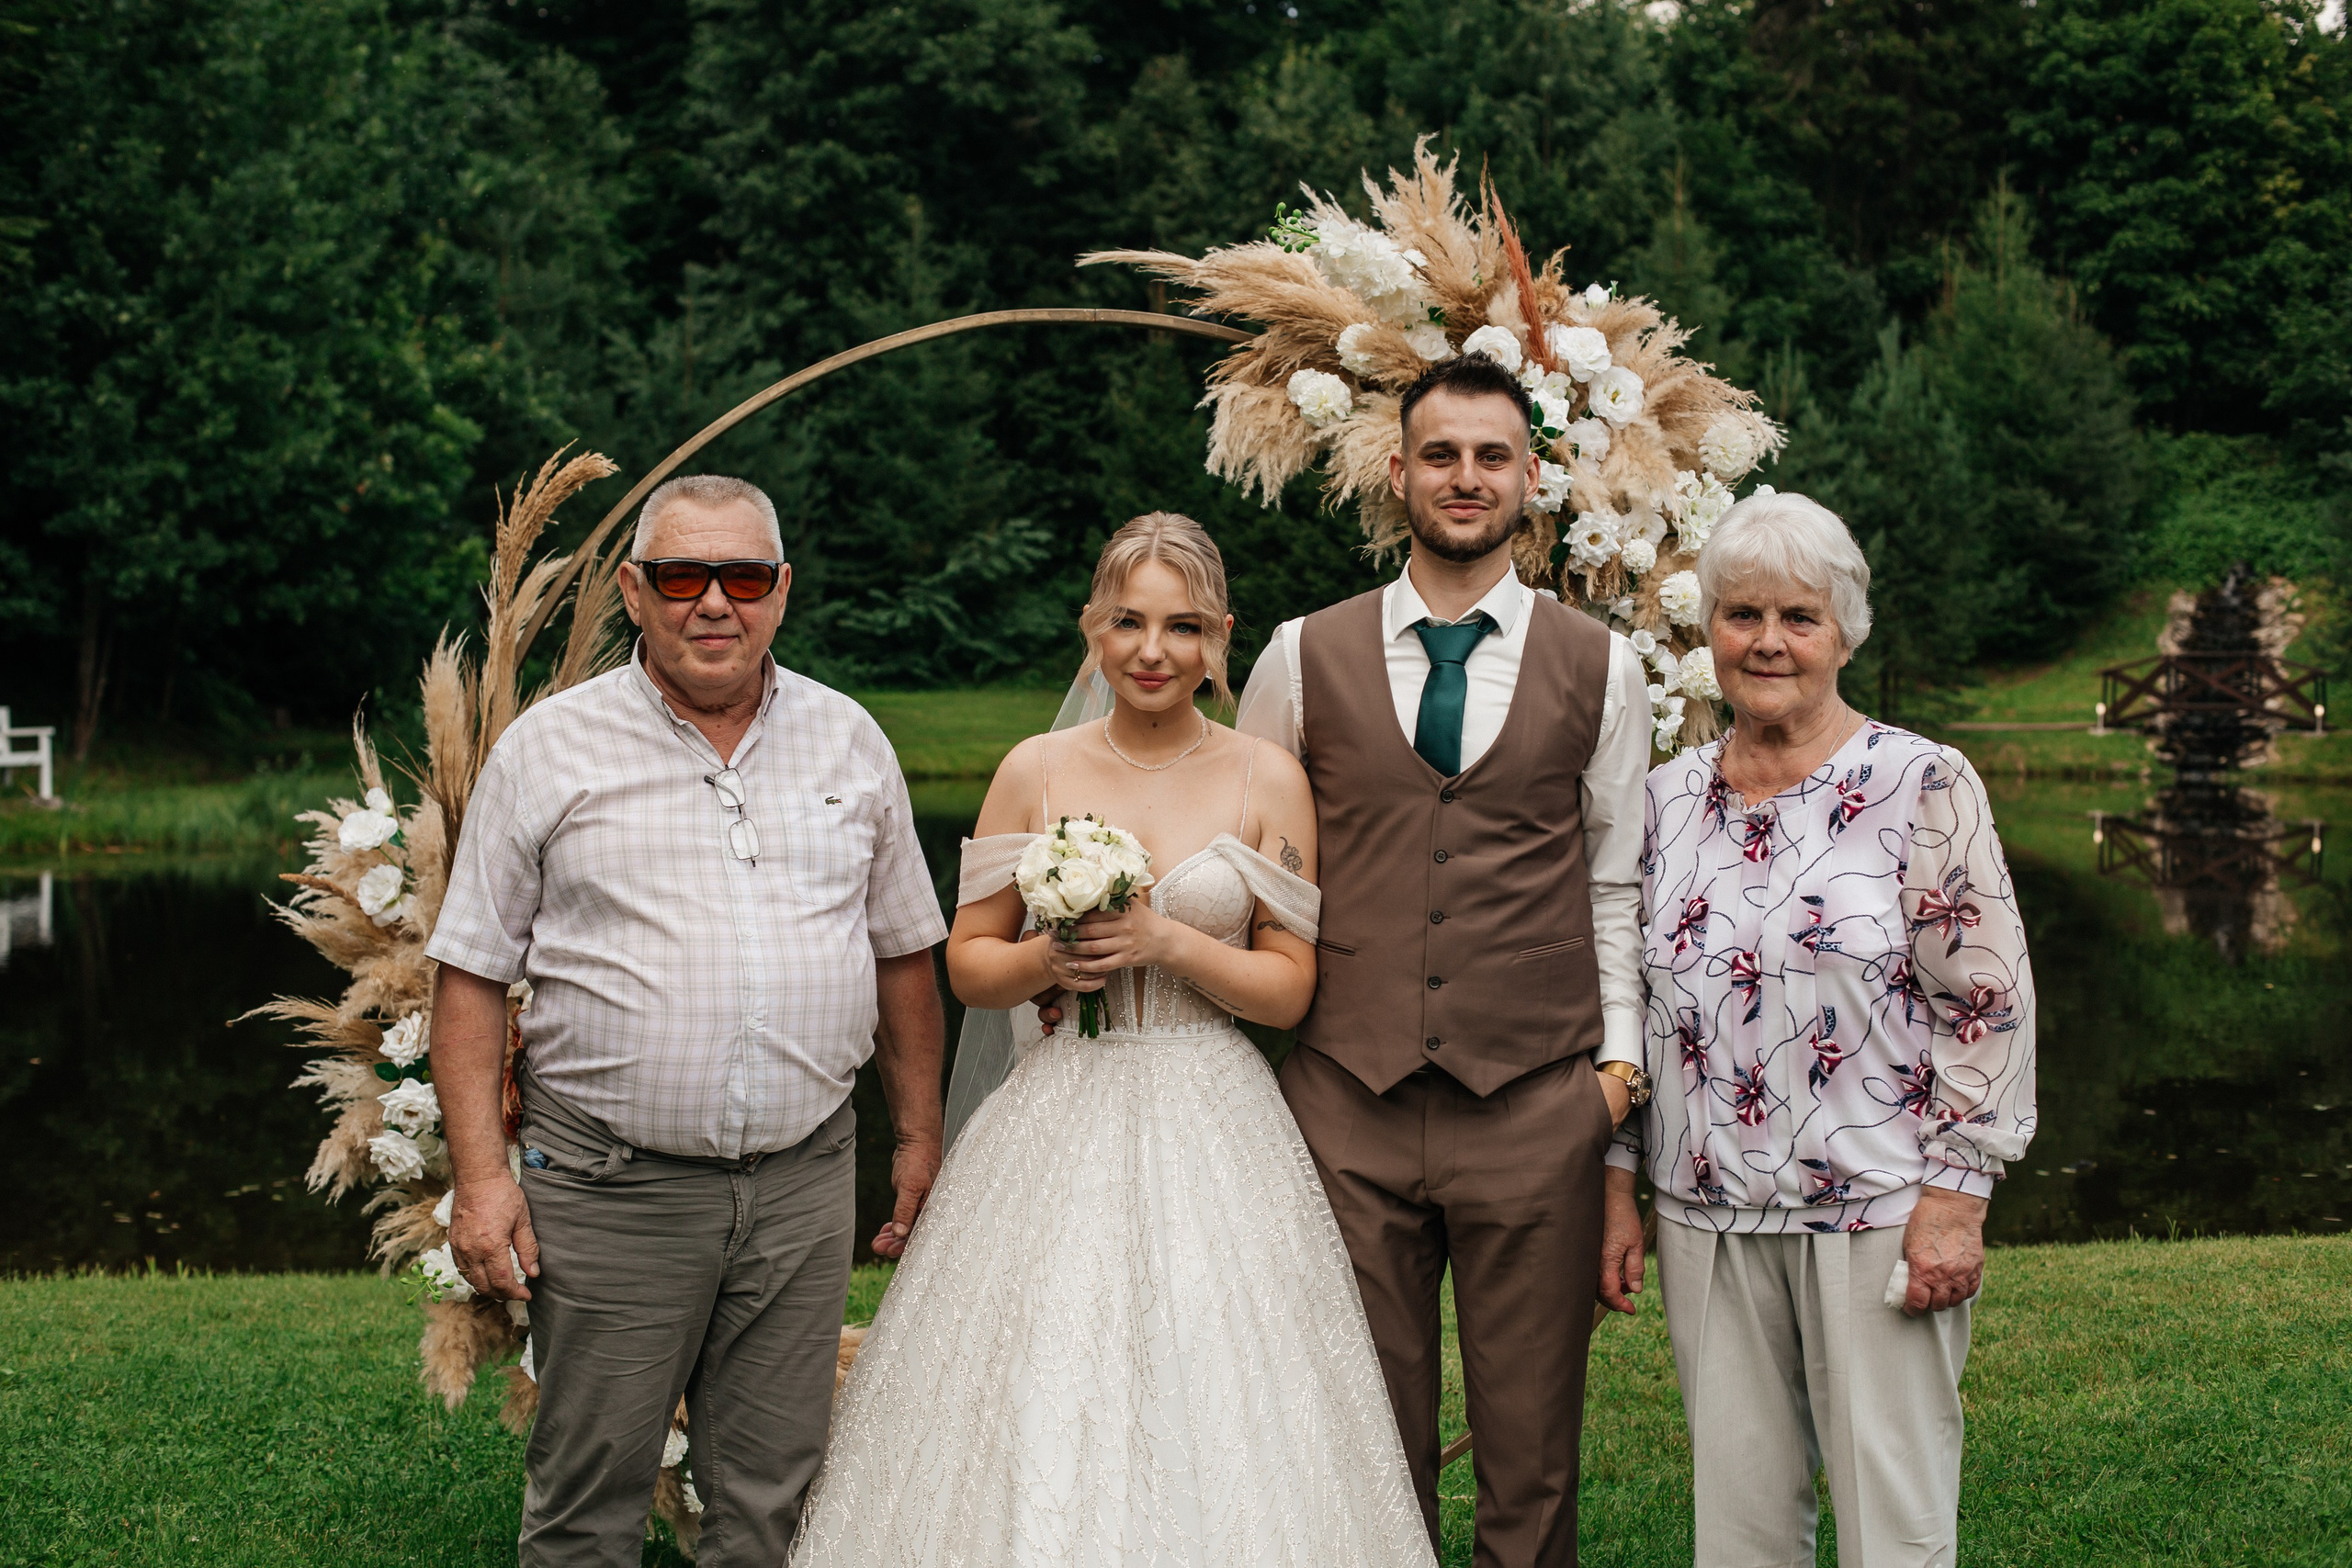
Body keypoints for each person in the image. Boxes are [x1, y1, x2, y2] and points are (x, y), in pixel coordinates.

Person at [789, 513, 1434, 1568]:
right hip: (1061, 1098)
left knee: (1220, 1365)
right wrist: (1050, 963)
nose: (1152, 650)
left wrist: (1167, 941)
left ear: (1220, 638)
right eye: (1128, 621)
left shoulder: (1266, 778)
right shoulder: (1035, 769)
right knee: (1047, 1351)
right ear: (1092, 628)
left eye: (1182, 627)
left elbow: (1288, 989)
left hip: (1212, 1103)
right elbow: (969, 961)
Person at [425, 474, 949, 1568]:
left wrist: (915, 1138)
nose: (715, 602)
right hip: (611, 1189)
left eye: (744, 577)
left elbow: (903, 951)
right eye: (682, 576)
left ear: (782, 590)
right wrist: (481, 1181)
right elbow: (470, 974)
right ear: (634, 590)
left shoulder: (850, 741)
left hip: (803, 1186)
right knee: (587, 1504)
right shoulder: (549, 749)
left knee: (770, 1502)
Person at [1235, 351, 1655, 1568]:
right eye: (1440, 454)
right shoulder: (1298, 656)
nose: (1465, 476)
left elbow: (1614, 886)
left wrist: (1613, 1083)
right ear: (1397, 471)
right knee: (1363, 1446)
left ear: (1530, 478)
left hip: (1534, 1102)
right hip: (1345, 1104)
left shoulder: (1604, 667)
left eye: (1490, 456)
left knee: (1533, 1453)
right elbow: (1253, 872)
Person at [1603, 491, 2037, 1568]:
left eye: (1798, 617)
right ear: (1708, 631)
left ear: (1845, 633)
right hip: (1703, 1216)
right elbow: (1631, 1008)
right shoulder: (1661, 801)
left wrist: (1957, 1196)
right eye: (1741, 615)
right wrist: (1617, 1177)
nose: (1768, 642)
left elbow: (1986, 999)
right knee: (1739, 1533)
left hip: (1880, 1211)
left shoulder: (1919, 782)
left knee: (1894, 1527)